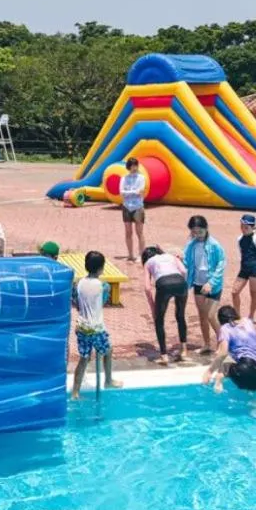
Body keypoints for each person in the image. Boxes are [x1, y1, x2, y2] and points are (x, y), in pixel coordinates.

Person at [71, 251, 122, 399]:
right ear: (101, 268)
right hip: (96, 328)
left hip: (81, 327)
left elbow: (76, 303)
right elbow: (102, 302)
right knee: (108, 351)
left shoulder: (78, 284)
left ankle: (75, 392)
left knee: (84, 358)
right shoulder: (104, 286)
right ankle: (108, 380)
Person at [183, 214, 225, 354]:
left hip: (213, 285)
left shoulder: (214, 245)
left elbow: (221, 263)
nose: (197, 235)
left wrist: (211, 283)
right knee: (202, 315)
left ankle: (223, 343)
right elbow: (187, 262)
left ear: (206, 229)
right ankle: (207, 344)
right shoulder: (191, 245)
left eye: (200, 231)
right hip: (198, 284)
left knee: (211, 316)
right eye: (194, 232)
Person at [140, 245, 188, 365]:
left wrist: (153, 307)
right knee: (180, 316)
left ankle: (164, 356)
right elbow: (184, 271)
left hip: (164, 284)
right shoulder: (171, 256)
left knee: (159, 320)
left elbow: (147, 288)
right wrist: (183, 285)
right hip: (181, 282)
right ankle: (184, 350)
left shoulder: (148, 263)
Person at [202, 305, 256, 393]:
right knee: (253, 401)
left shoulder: (225, 328)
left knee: (224, 360)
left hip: (243, 370)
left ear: (221, 320)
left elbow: (223, 353)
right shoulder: (248, 321)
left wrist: (209, 371)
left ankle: (218, 382)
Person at [233, 214, 256, 321]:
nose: (243, 229)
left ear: (252, 228)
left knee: (253, 292)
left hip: (254, 269)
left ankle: (251, 316)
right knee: (234, 292)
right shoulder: (239, 239)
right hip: (244, 268)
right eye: (241, 226)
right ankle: (237, 316)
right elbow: (242, 252)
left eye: (246, 227)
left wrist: (254, 264)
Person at [119, 157, 146, 262]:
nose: (134, 168)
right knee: (128, 232)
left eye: (135, 166)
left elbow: (140, 191)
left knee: (139, 232)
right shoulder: (124, 178)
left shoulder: (141, 178)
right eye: (131, 166)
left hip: (138, 207)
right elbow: (121, 192)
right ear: (128, 167)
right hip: (126, 207)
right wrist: (133, 192)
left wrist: (128, 192)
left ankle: (141, 255)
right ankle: (130, 254)